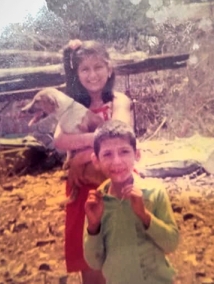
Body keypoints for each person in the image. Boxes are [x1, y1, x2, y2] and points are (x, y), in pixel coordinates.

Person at [54, 39, 134, 284]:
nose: (92, 75)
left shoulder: (119, 101)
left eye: (98, 67)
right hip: (84, 192)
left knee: (120, 256)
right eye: (85, 69)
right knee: (90, 259)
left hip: (116, 186)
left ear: (109, 69)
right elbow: (59, 140)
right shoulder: (74, 106)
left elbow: (118, 135)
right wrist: (92, 146)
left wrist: (81, 154)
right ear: (77, 74)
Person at [84, 120, 179, 284]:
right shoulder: (96, 202)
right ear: (96, 161)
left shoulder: (154, 192)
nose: (117, 161)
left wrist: (144, 215)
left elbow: (171, 244)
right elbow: (94, 262)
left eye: (124, 152)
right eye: (107, 154)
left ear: (137, 154)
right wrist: (93, 226)